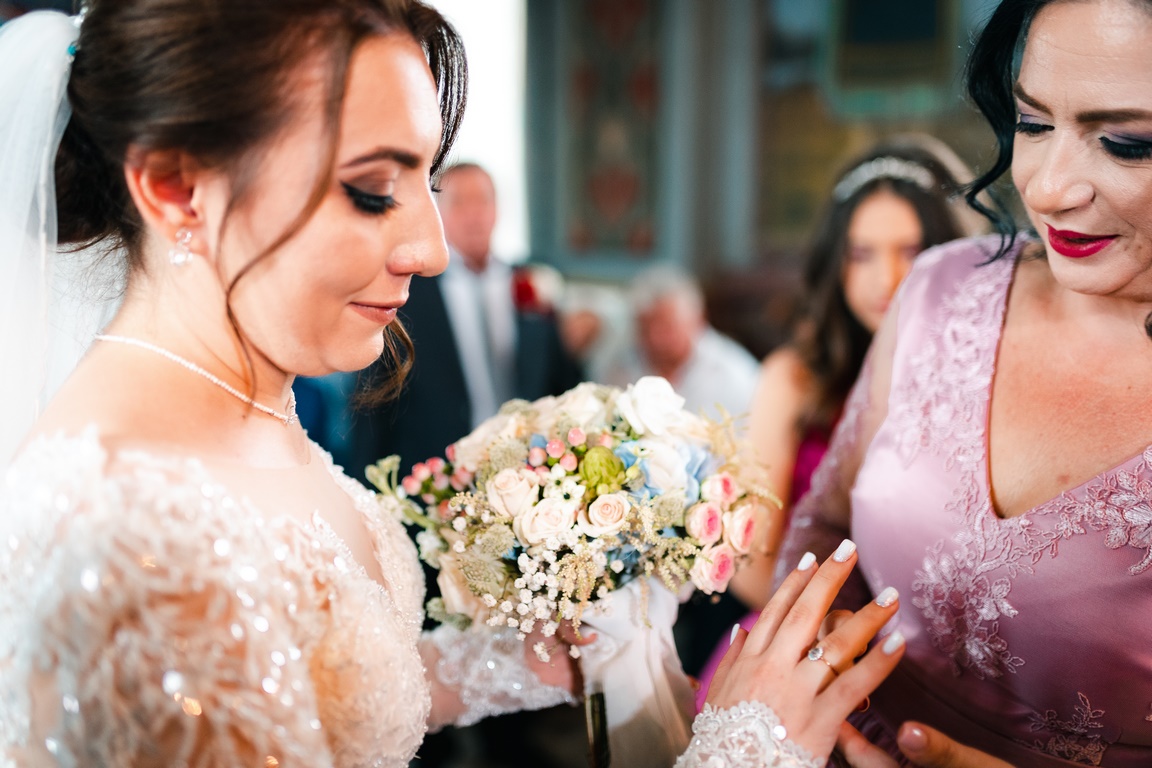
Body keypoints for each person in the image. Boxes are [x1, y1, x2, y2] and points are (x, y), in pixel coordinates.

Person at [0, 4, 916, 768]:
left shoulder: (245, 399)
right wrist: (749, 747)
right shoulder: (129, 554)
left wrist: (515, 663)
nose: (432, 249)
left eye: (428, 182)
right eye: (372, 190)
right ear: (175, 188)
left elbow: (330, 699)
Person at [775, 0, 1152, 764]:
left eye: (1125, 143)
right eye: (1033, 123)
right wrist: (813, 648)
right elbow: (824, 519)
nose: (1046, 189)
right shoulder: (940, 289)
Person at [692, 138, 979, 708]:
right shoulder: (794, 379)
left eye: (911, 251)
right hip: (801, 646)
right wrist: (831, 625)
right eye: (861, 254)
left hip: (947, 663)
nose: (886, 278)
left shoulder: (980, 383)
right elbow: (750, 569)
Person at [345, 161, 582, 481]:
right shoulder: (406, 294)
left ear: (497, 210)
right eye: (459, 202)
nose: (474, 214)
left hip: (527, 470)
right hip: (437, 473)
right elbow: (375, 402)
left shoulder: (528, 285)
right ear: (438, 212)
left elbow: (560, 381)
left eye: (483, 200)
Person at [606, 265, 760, 426]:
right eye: (644, 329)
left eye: (667, 328)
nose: (655, 338)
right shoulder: (620, 366)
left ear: (698, 319)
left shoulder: (737, 375)